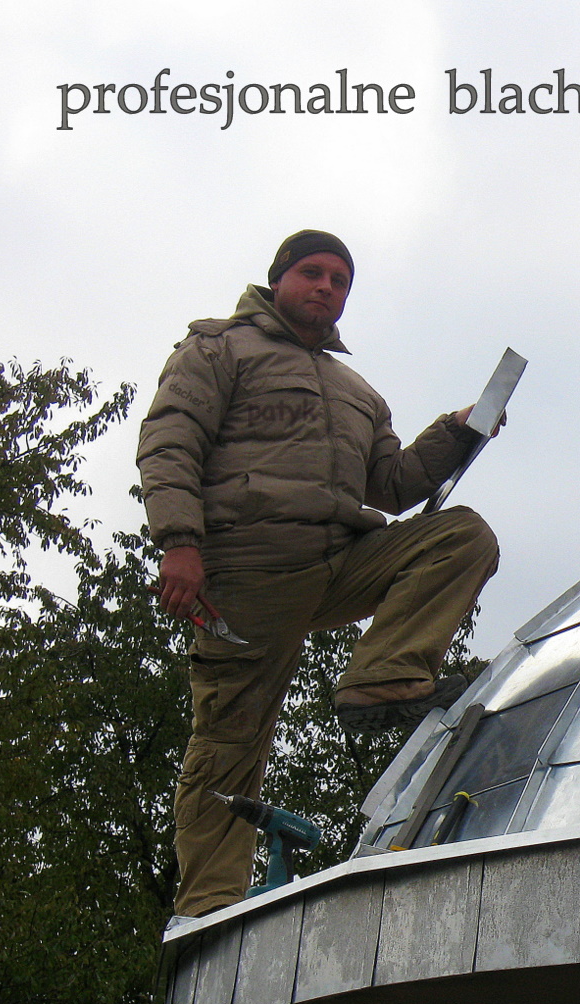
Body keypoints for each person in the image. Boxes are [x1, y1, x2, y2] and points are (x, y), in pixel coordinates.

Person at [138, 230, 501, 918]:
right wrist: (179, 542)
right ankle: (208, 906)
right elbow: (170, 442)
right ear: (278, 278)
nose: (327, 288)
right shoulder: (219, 349)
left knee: (461, 537)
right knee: (230, 742)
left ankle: (384, 676)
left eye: (340, 281)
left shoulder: (356, 391)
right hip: (249, 569)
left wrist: (457, 429)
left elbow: (392, 486)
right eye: (313, 273)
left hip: (337, 562)